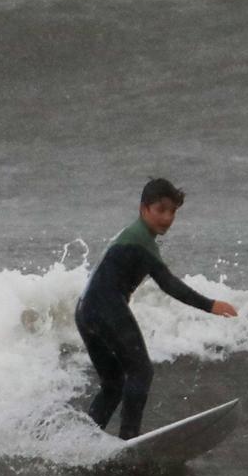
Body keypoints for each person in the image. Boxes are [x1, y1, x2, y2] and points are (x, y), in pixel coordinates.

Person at [75, 178, 237, 440]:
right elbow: (169, 284)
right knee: (141, 370)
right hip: (106, 307)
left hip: (85, 311)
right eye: (160, 210)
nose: (167, 217)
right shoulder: (141, 242)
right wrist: (211, 305)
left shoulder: (132, 235)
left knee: (113, 384)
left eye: (172, 211)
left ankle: (82, 441)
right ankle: (128, 438)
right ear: (143, 209)